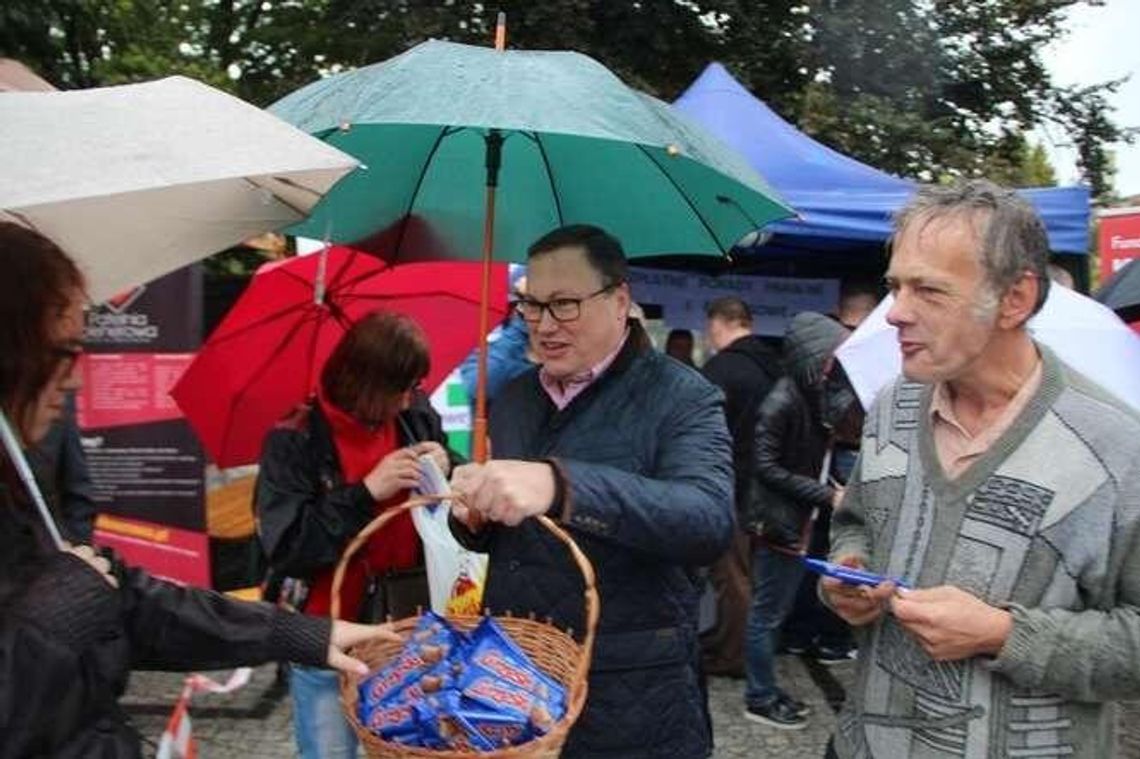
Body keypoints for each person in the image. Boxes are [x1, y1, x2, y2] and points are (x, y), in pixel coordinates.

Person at [0, 221, 395, 759]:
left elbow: (130, 605)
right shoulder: (295, 439)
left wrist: (303, 636)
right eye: (64, 351)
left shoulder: (16, 480)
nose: (74, 380)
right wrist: (54, 614)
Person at [822, 179, 1140, 759]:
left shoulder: (1118, 448)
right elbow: (857, 522)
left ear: (1014, 299)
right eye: (895, 286)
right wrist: (850, 570)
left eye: (929, 291)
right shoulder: (892, 406)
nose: (895, 313)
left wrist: (1005, 634)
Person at [448, 224, 734, 758]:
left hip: (631, 696)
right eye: (530, 306)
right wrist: (473, 518)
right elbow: (512, 536)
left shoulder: (682, 396)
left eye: (565, 304)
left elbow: (707, 520)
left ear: (620, 299)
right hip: (514, 681)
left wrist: (561, 484)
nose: (544, 326)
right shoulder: (515, 398)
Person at [255, 311, 458, 759]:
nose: (408, 401)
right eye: (399, 390)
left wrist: (447, 462)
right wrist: (365, 492)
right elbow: (288, 548)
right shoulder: (295, 437)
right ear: (364, 382)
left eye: (414, 388)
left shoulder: (413, 416)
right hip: (329, 634)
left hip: (407, 628)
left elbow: (450, 491)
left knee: (413, 749)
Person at [741, 311, 859, 729]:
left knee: (776, 611)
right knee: (765, 615)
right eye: (831, 360)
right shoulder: (782, 402)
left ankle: (766, 688)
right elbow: (766, 467)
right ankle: (759, 696)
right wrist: (828, 494)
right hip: (779, 525)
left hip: (799, 521)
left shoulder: (811, 397)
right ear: (812, 358)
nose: (836, 367)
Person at [699, 297, 782, 677]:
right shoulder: (775, 366)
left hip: (730, 486)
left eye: (709, 326)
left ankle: (733, 656)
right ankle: (734, 644)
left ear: (720, 323)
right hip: (765, 488)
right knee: (748, 574)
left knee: (730, 577)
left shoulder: (721, 369)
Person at [30, 391, 96, 542]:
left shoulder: (57, 392)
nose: (77, 381)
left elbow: (77, 489)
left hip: (42, 549)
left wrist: (76, 550)